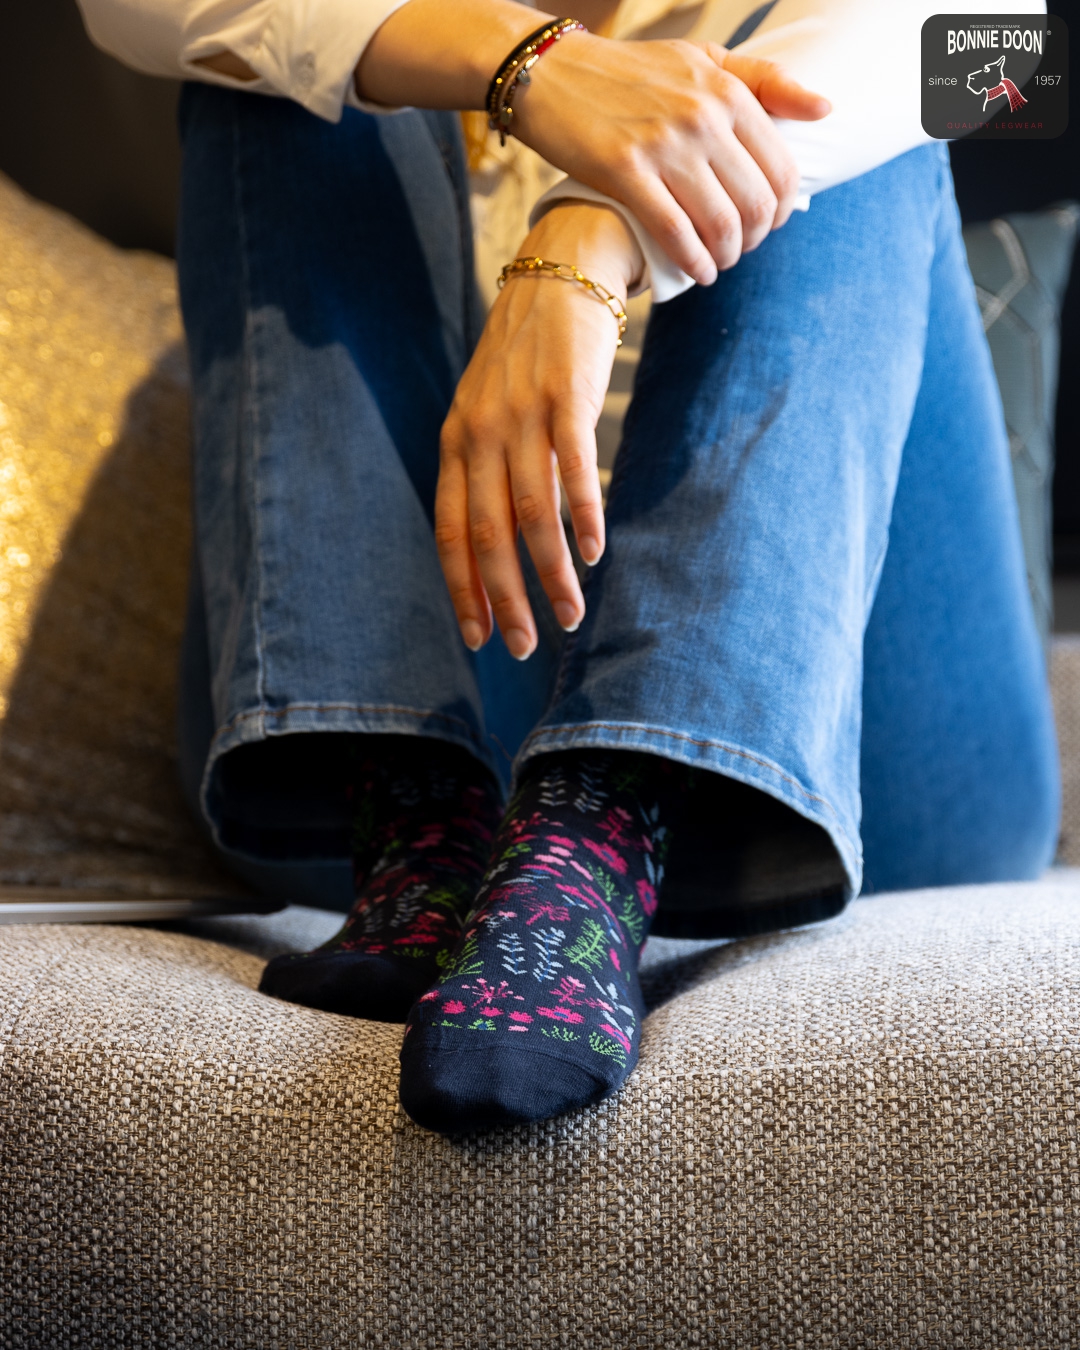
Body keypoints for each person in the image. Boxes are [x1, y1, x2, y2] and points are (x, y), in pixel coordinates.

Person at [77, 0, 1058, 1135]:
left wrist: (593, 223)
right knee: (275, 67)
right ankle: (414, 823)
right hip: (412, 758)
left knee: (853, 108)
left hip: (876, 763)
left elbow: (998, 43)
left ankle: (599, 830)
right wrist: (529, 68)